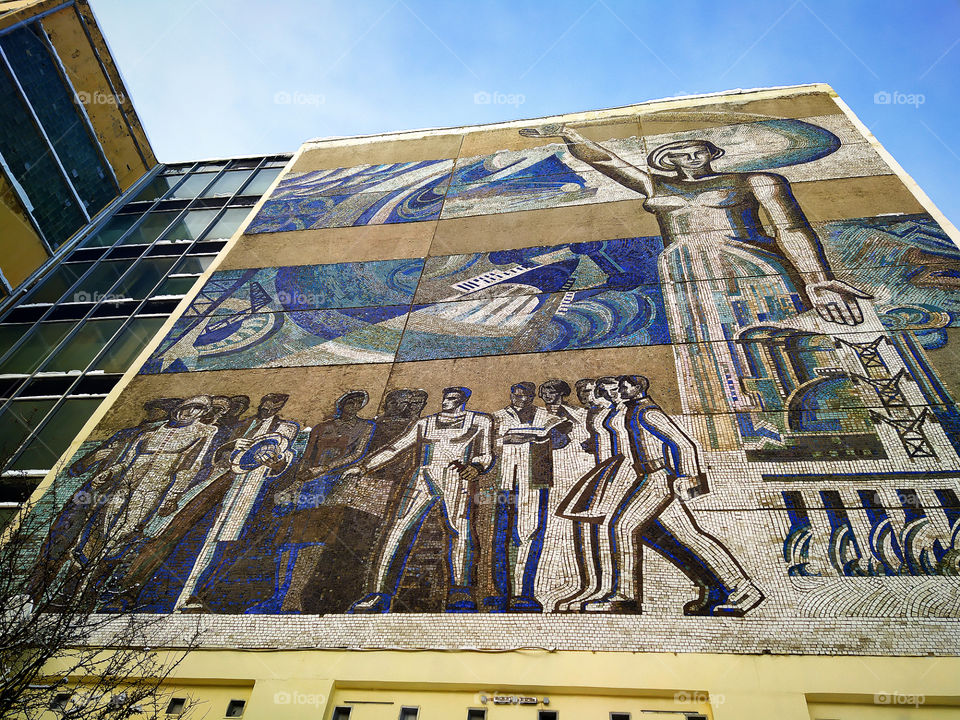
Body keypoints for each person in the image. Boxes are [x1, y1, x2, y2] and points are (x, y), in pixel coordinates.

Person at [519, 124, 872, 447]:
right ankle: (741, 432)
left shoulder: (756, 179)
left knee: (770, 345)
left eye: (698, 150)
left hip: (748, 264)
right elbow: (604, 159)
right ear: (668, 160)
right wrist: (567, 132)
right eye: (679, 154)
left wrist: (819, 280)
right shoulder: (658, 185)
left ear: (712, 153)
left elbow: (791, 229)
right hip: (685, 272)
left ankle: (808, 422)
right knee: (710, 351)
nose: (690, 158)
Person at [345, 387, 494, 613]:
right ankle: (378, 593)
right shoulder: (425, 423)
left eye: (452, 398)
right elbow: (396, 448)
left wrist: (476, 467)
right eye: (445, 397)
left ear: (462, 401)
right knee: (397, 529)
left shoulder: (479, 421)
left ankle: (460, 591)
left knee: (460, 530)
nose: (446, 402)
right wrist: (363, 467)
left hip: (457, 477)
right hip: (423, 476)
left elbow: (485, 453)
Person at [486, 382, 568, 612]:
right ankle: (500, 592)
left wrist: (543, 437)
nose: (520, 399)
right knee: (501, 534)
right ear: (511, 394)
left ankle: (524, 593)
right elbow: (489, 442)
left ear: (533, 396)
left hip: (535, 478)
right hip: (504, 483)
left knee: (530, 531)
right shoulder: (497, 417)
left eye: (525, 396)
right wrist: (516, 439)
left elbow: (562, 439)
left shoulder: (545, 415)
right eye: (516, 395)